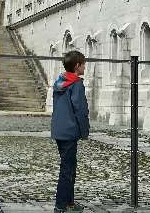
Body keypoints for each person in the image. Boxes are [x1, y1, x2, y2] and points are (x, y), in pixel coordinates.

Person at [50, 50, 90, 213]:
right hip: (70, 131)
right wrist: (84, 131)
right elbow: (80, 110)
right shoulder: (76, 84)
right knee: (67, 169)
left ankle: (69, 203)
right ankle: (60, 205)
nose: (85, 67)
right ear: (77, 66)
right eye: (83, 64)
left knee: (70, 167)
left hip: (59, 130)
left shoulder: (60, 82)